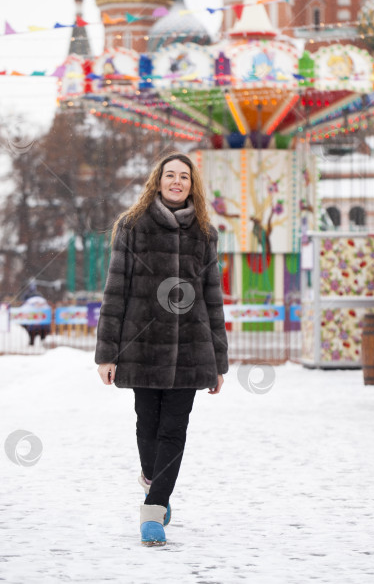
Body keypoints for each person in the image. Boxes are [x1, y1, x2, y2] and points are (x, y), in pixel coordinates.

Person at [95, 151, 228, 547]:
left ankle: (154, 509)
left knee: (175, 429)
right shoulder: (132, 227)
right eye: (169, 175)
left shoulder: (205, 233)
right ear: (157, 181)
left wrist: (218, 361)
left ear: (192, 185)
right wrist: (107, 353)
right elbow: (115, 291)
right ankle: (156, 480)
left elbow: (213, 298)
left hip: (191, 348)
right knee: (146, 424)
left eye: (183, 177)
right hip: (142, 345)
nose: (176, 182)